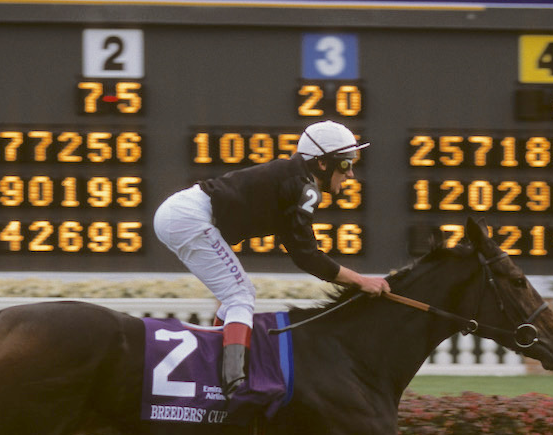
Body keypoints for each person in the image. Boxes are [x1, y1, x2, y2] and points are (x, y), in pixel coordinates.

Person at [153, 120, 390, 398]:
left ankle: (219, 368)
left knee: (237, 295)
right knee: (240, 296)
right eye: (344, 164)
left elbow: (302, 252)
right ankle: (231, 382)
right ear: (322, 164)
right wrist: (360, 281)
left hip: (183, 214)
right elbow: (306, 256)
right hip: (189, 217)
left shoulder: (295, 180)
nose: (350, 174)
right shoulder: (305, 188)